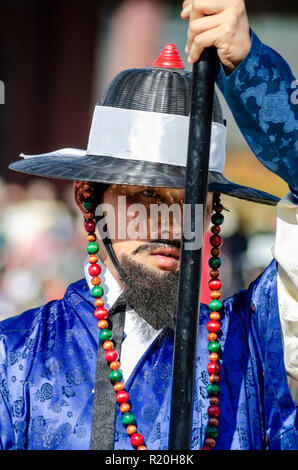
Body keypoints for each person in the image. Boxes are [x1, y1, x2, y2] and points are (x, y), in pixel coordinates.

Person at [0, 0, 297, 450]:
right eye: (148, 197)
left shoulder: (252, 347)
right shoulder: (15, 356)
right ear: (89, 198)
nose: (171, 226)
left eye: (190, 203)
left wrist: (251, 65)